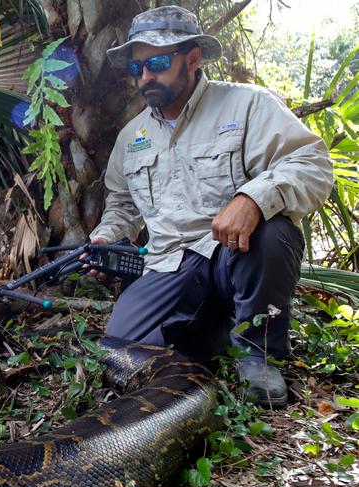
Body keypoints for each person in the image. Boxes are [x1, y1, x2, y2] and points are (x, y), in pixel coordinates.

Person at [91, 6, 334, 407]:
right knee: (116, 352)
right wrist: (106, 235)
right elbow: (121, 204)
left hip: (233, 253)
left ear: (193, 59)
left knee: (274, 231)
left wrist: (252, 199)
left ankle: (258, 354)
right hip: (169, 264)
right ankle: (212, 334)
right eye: (137, 69)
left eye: (157, 63)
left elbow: (312, 163)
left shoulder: (247, 105)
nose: (146, 77)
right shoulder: (131, 136)